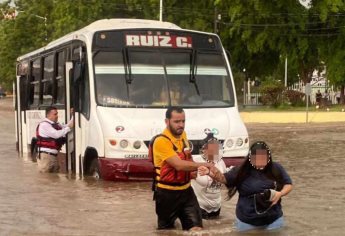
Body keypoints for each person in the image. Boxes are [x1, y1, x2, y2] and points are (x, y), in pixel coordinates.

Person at [198, 141, 293, 232]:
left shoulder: (276, 168)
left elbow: (288, 184)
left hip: (274, 220)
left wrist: (280, 193)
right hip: (247, 221)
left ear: (268, 157)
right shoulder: (241, 170)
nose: (260, 160)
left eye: (263, 157)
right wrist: (209, 173)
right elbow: (224, 179)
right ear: (250, 158)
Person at [152, 107, 213, 231]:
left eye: (183, 121)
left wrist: (194, 171)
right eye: (177, 122)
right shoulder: (161, 141)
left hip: (186, 192)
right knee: (166, 232)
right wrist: (204, 164)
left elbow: (187, 157)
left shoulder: (183, 135)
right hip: (166, 195)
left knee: (197, 230)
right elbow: (178, 165)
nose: (181, 125)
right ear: (167, 121)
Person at [191, 133, 228, 219]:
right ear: (204, 149)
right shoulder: (195, 162)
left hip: (216, 207)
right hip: (199, 207)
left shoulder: (221, 163)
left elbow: (224, 180)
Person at [36, 106, 73, 173]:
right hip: (46, 157)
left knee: (54, 180)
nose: (57, 116)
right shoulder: (44, 125)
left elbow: (67, 126)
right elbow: (56, 134)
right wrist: (68, 128)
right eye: (55, 114)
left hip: (53, 157)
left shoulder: (55, 125)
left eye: (57, 114)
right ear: (48, 115)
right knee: (46, 180)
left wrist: (74, 115)